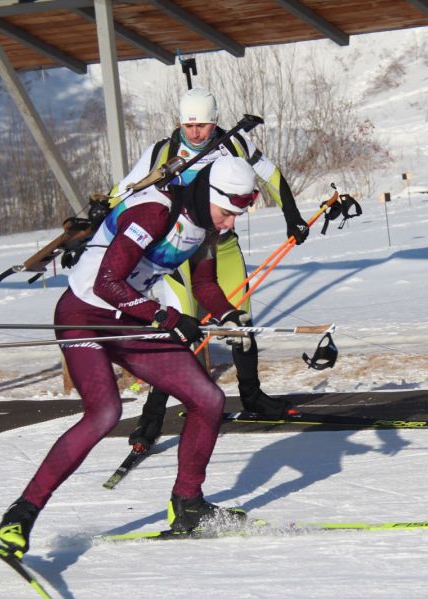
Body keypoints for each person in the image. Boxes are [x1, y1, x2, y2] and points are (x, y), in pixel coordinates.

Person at [0, 156, 260, 556]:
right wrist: (166, 316)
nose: (229, 223)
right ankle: (21, 514)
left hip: (131, 318)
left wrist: (229, 315)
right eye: (227, 212)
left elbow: (205, 284)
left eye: (236, 215)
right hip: (84, 315)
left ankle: (188, 505)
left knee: (208, 399)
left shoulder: (207, 226)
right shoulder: (154, 212)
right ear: (209, 194)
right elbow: (107, 282)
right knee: (104, 413)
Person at [112, 87, 310, 450]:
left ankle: (253, 398)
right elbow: (124, 190)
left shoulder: (234, 143)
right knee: (178, 329)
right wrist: (101, 214)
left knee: (240, 322)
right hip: (181, 248)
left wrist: (292, 216)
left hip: (223, 245)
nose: (194, 133)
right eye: (187, 126)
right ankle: (150, 420)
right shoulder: (162, 151)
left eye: (201, 126)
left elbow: (272, 175)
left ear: (215, 121)